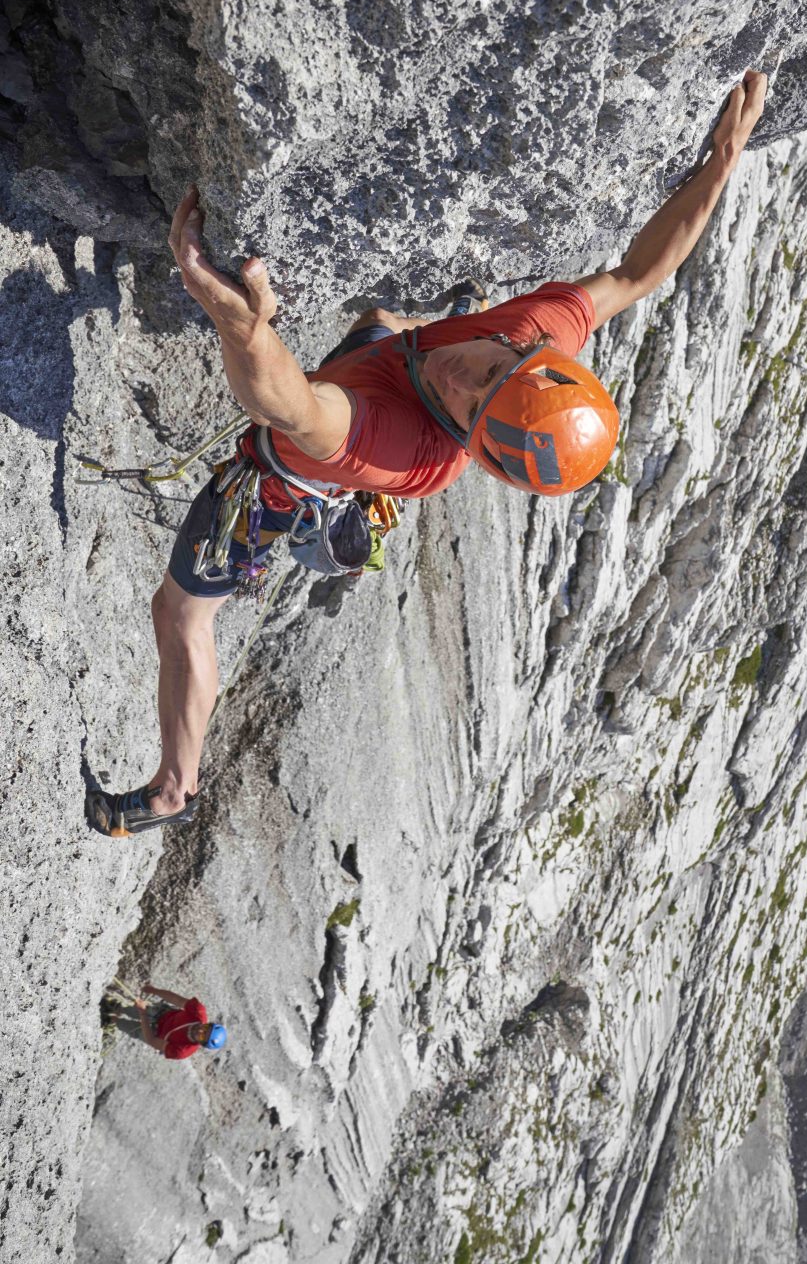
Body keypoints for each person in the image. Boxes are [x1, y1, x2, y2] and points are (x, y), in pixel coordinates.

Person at [88, 70, 766, 837]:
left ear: (471, 444)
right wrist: (719, 165)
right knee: (385, 319)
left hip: (287, 477)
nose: (460, 376)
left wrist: (246, 332)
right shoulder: (534, 331)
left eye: (467, 407)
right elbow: (635, 274)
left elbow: (289, 408)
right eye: (485, 371)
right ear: (530, 353)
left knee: (181, 615)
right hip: (380, 370)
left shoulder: (411, 450)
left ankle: (174, 790)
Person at [132, 984, 226, 1060]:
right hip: (164, 1014)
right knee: (138, 1006)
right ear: (207, 1024)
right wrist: (154, 990)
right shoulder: (198, 1011)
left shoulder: (181, 1051)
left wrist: (143, 1014)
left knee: (130, 1027)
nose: (200, 1031)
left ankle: (117, 1015)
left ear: (201, 1043)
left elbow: (151, 1040)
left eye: (202, 1036)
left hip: (156, 1035)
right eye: (205, 1028)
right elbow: (176, 999)